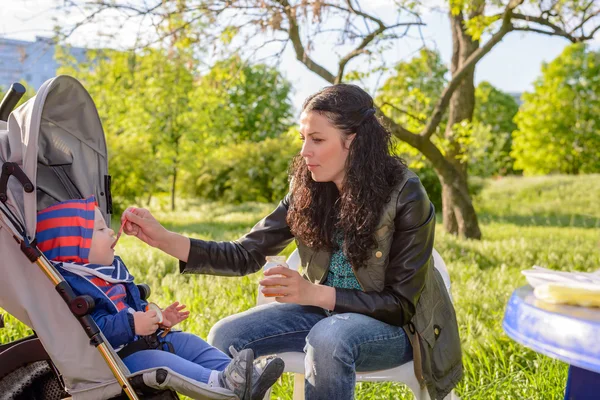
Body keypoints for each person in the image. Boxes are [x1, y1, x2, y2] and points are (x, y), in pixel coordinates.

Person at [121, 84, 462, 399]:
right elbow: (245, 254)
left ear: (353, 142)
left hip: (398, 331)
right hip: (321, 316)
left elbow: (399, 304)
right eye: (302, 138)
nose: (305, 151)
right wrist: (164, 239)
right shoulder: (309, 189)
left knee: (329, 338)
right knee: (226, 335)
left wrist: (313, 293)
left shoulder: (405, 193)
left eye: (317, 139)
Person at [35, 196, 284, 400]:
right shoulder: (75, 288)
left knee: (188, 342)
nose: (112, 233)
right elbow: (90, 330)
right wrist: (133, 325)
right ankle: (221, 383)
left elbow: (133, 306)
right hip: (120, 361)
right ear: (74, 248)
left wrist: (159, 317)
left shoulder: (109, 274)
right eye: (100, 229)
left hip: (146, 339)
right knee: (162, 363)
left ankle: (239, 372)